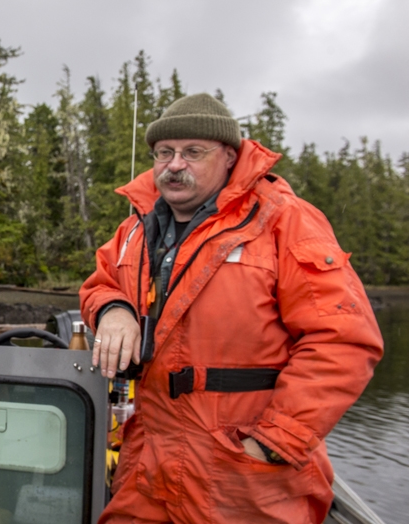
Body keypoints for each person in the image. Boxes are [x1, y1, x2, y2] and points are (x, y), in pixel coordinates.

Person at [79, 93, 384, 523]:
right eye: (164, 152)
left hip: (242, 476)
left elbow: (345, 342)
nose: (174, 164)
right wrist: (113, 309)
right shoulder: (135, 226)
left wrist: (274, 443)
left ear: (228, 156)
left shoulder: (284, 221)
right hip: (148, 464)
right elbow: (101, 282)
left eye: (192, 152)